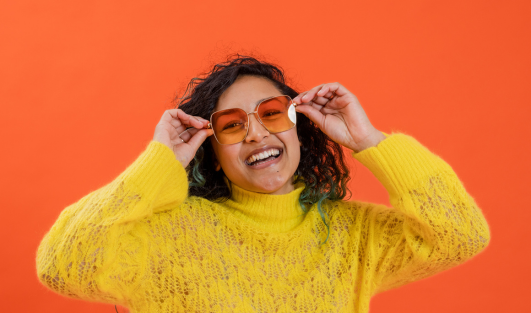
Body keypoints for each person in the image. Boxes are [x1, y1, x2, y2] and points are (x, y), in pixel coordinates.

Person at [36, 55, 490, 313]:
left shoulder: (353, 237)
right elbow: (62, 264)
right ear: (211, 150)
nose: (256, 133)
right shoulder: (167, 236)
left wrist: (370, 141)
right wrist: (158, 165)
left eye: (272, 113)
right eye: (232, 125)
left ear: (300, 127)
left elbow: (460, 234)